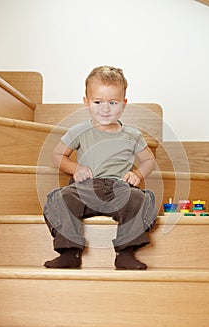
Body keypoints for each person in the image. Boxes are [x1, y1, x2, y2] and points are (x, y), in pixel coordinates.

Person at [43, 65, 157, 270]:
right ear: (86, 103)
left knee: (139, 199)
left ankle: (125, 253)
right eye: (98, 102)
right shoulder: (80, 130)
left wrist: (137, 174)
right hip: (87, 186)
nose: (105, 109)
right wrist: (75, 168)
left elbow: (149, 161)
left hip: (119, 187)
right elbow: (57, 155)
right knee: (62, 198)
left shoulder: (132, 134)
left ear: (124, 104)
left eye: (113, 103)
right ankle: (69, 251)